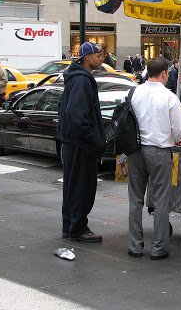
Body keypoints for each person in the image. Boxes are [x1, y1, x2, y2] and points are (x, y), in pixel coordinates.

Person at [127, 57, 181, 260]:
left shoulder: (135, 92)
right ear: (164, 73)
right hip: (159, 151)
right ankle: (159, 248)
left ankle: (135, 245)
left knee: (135, 199)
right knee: (161, 200)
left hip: (135, 150)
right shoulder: (169, 97)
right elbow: (179, 132)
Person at [57, 42, 106, 242]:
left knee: (73, 185)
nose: (102, 58)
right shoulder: (82, 80)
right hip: (80, 144)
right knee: (81, 187)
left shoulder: (77, 77)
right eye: (98, 55)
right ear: (87, 58)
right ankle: (78, 228)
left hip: (73, 142)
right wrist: (91, 139)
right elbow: (76, 114)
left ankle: (70, 226)